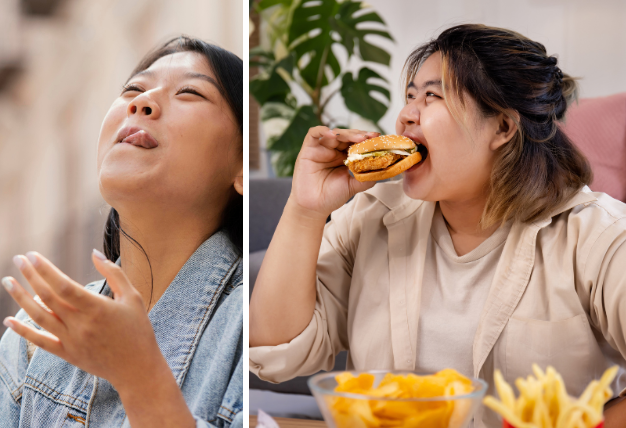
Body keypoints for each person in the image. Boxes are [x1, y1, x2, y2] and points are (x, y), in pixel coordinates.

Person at [249, 24, 626, 427]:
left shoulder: (597, 235)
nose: (406, 115)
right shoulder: (369, 217)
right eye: (410, 96)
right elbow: (276, 354)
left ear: (502, 127)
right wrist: (305, 208)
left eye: (431, 96)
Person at [0, 36, 243, 428]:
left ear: (241, 166)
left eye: (190, 92)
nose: (141, 102)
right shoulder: (30, 341)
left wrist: (141, 381)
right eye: (133, 89)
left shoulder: (245, 324)